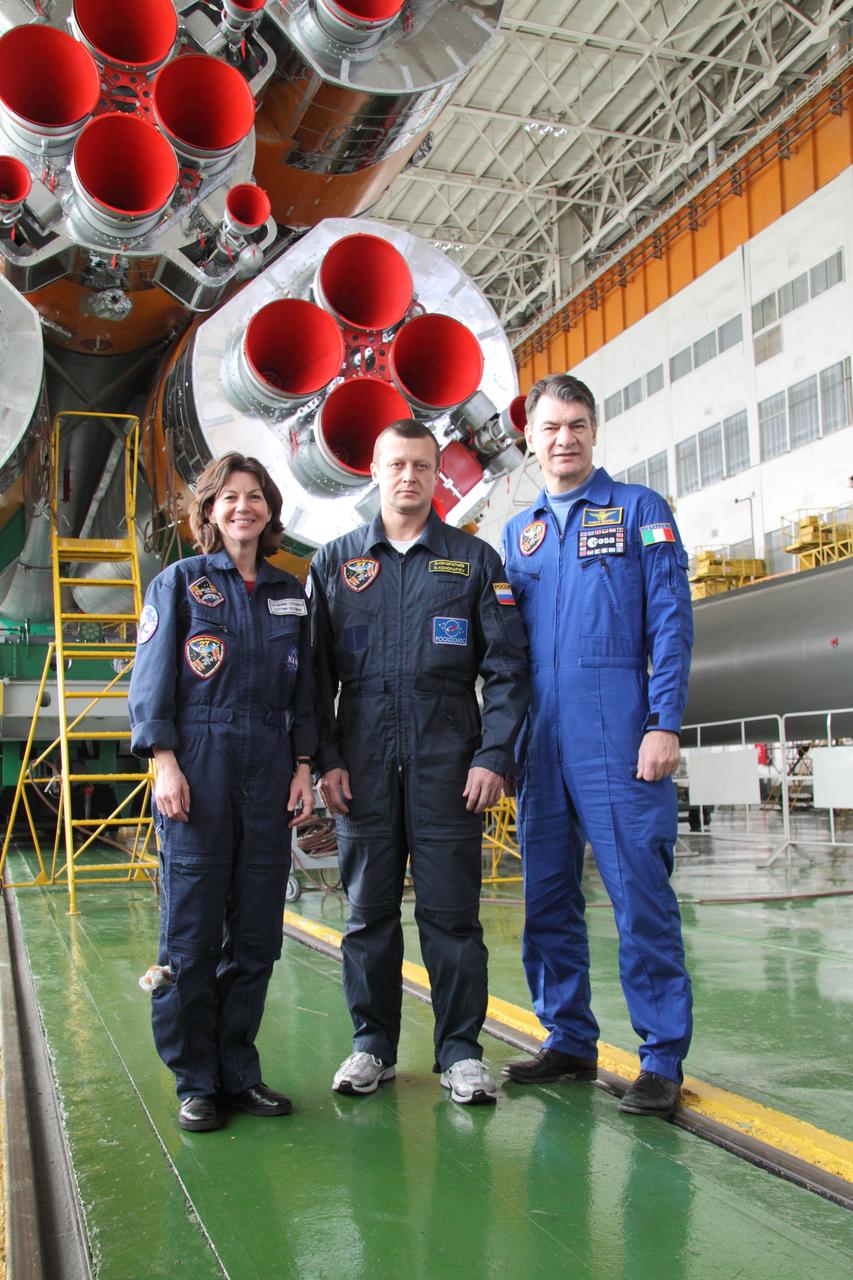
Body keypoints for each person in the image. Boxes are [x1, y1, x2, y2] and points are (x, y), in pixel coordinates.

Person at [310, 420, 529, 1105]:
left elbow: (507, 670)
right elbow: (314, 678)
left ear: (437, 476)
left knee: (452, 918)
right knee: (367, 916)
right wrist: (325, 760)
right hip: (363, 767)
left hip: (448, 765)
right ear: (374, 471)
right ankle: (371, 1045)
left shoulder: (472, 560)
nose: (408, 477)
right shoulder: (337, 562)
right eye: (396, 465)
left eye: (421, 467)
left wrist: (493, 755)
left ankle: (460, 1052)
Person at [499, 374, 693, 1116]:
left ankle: (659, 1057)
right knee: (545, 896)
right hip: (539, 738)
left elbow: (670, 622)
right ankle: (568, 1037)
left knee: (639, 894)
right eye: (550, 427)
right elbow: (504, 652)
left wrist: (663, 720)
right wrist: (505, 743)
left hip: (619, 730)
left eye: (577, 424)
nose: (564, 438)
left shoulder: (640, 511)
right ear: (531, 438)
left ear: (593, 430)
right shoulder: (518, 535)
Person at [129, 453, 316, 1132]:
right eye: (229, 497)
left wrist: (303, 767)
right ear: (209, 511)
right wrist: (164, 763)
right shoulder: (179, 583)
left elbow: (306, 693)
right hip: (199, 767)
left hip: (269, 766)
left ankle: (239, 1072)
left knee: (257, 936)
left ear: (269, 510)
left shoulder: (289, 592)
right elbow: (152, 684)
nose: (244, 507)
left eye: (255, 496)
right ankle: (194, 1080)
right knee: (192, 936)